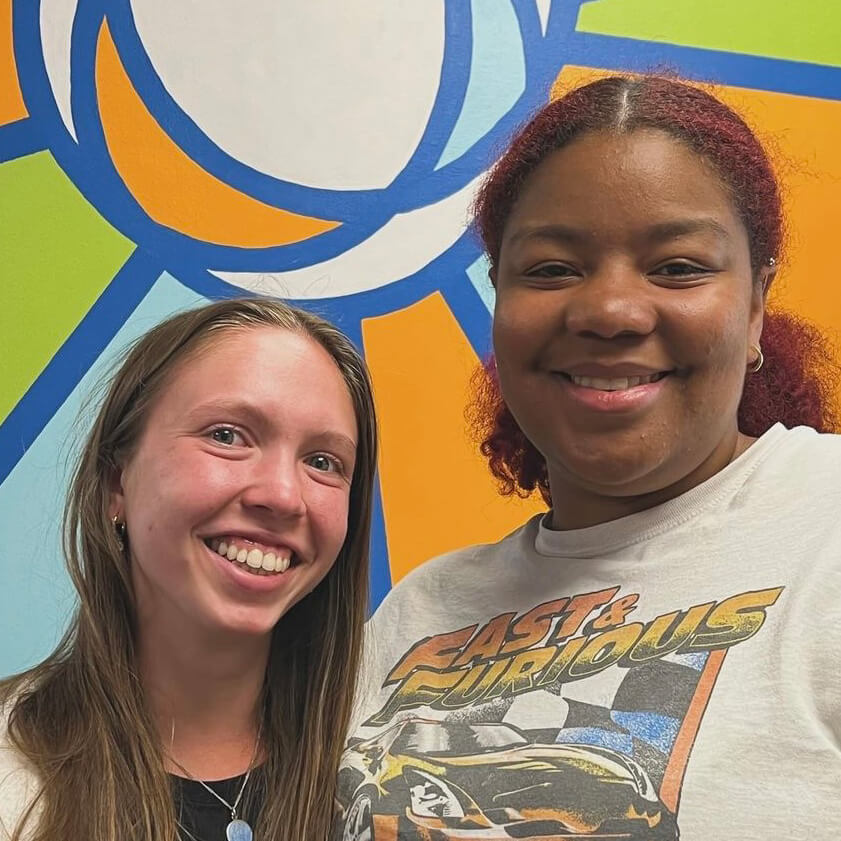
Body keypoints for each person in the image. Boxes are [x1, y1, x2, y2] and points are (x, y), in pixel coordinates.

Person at [335, 75, 841, 840]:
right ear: (500, 299)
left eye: (676, 266)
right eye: (550, 269)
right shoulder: (421, 609)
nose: (609, 311)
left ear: (755, 306)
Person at [0, 298, 378, 840]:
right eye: (227, 435)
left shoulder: (388, 778)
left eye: (323, 462)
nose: (282, 495)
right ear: (115, 483)